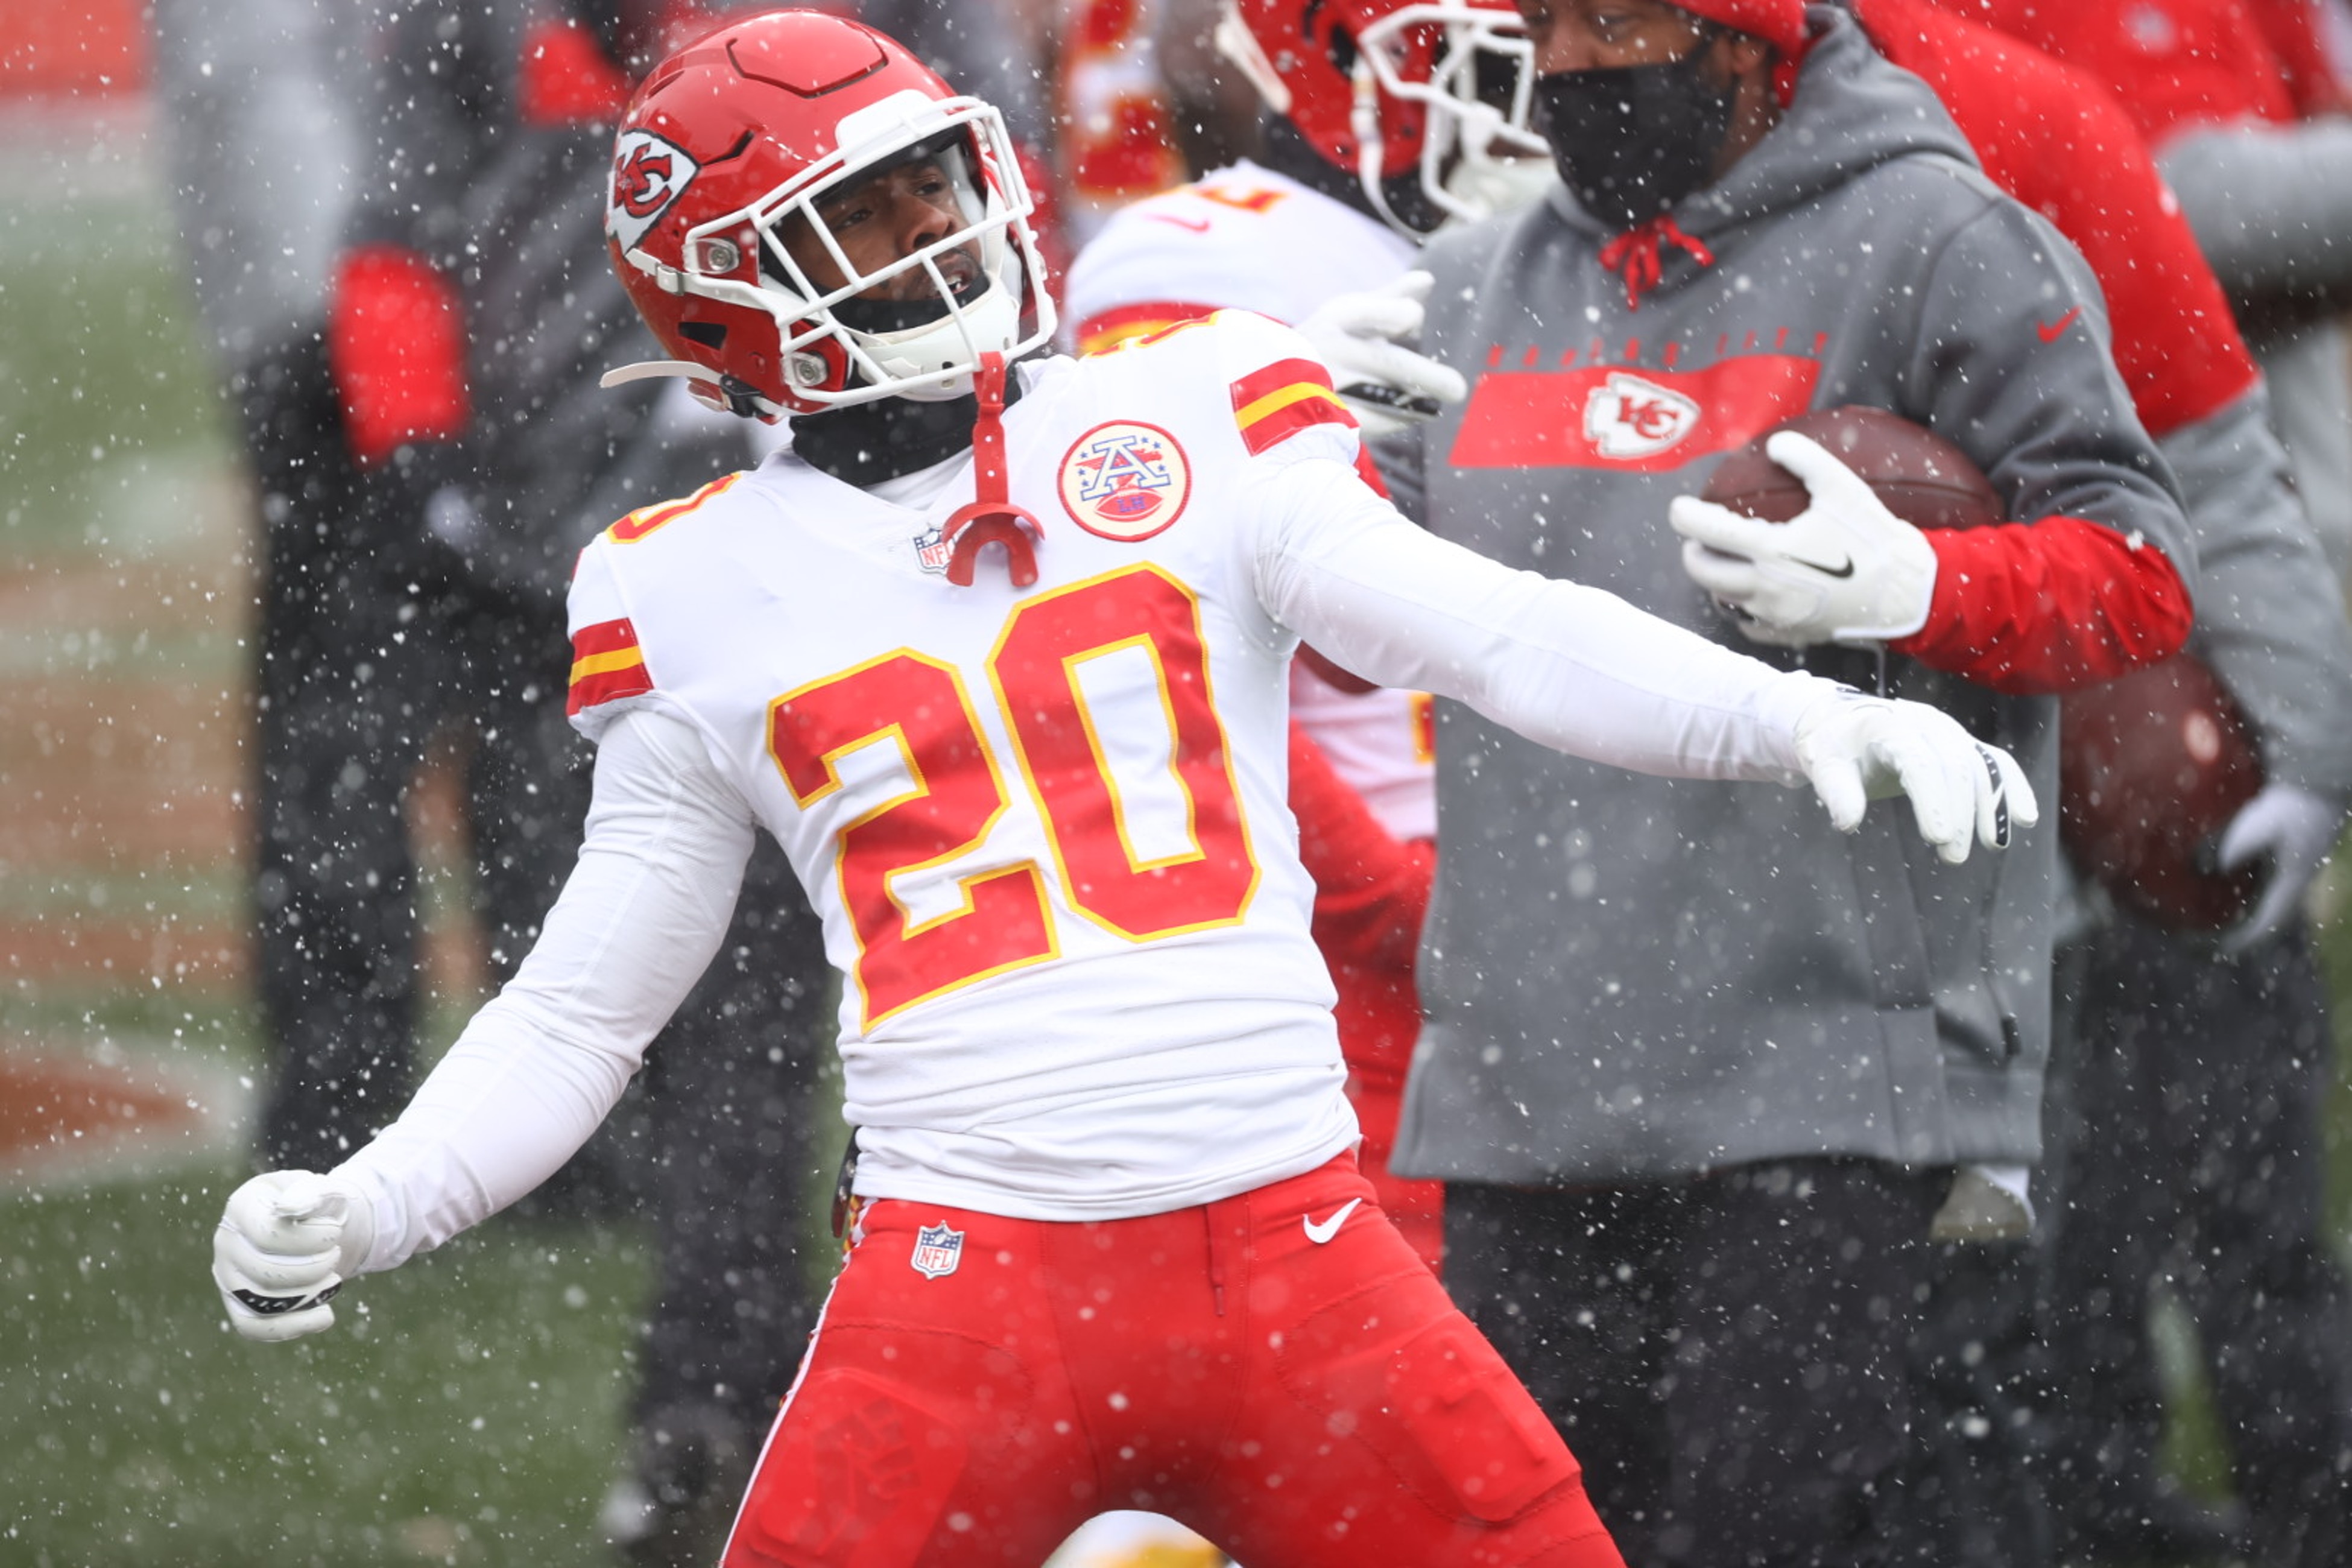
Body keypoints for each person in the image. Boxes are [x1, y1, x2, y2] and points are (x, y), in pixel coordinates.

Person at [204, 11, 2035, 1566]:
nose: (943, 234)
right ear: (729, 298)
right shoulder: (680, 586)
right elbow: (584, 1014)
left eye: (940, 180)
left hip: (1308, 1257)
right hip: (958, 1291)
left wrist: (1794, 724)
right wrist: (374, 1200)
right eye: (869, 217)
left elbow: (1497, 635)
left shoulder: (1196, 411)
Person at [1371, 1, 2201, 1563]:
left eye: (1614, 20)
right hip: (1519, 1084)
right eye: (1540, 23)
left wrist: (1918, 589)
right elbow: (1348, 634)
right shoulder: (1470, 285)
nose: (1569, 69)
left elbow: (2143, 576)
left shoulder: (1938, 234)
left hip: (1829, 1067)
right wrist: (1273, 443)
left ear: (1746, 39)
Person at [1906, 2, 2352, 1560]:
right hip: (2048, 683)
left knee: (2252, 1217)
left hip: (2197, 659)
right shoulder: (1973, 74)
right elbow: (2202, 214)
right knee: (2063, 1248)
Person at [1064, 0, 1538, 1276]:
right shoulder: (1211, 257)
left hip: (1533, 874)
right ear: (1345, 61)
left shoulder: (1539, 249)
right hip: (1334, 920)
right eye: (1496, 57)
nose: (1538, 90)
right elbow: (1156, 646)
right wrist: (1384, 896)